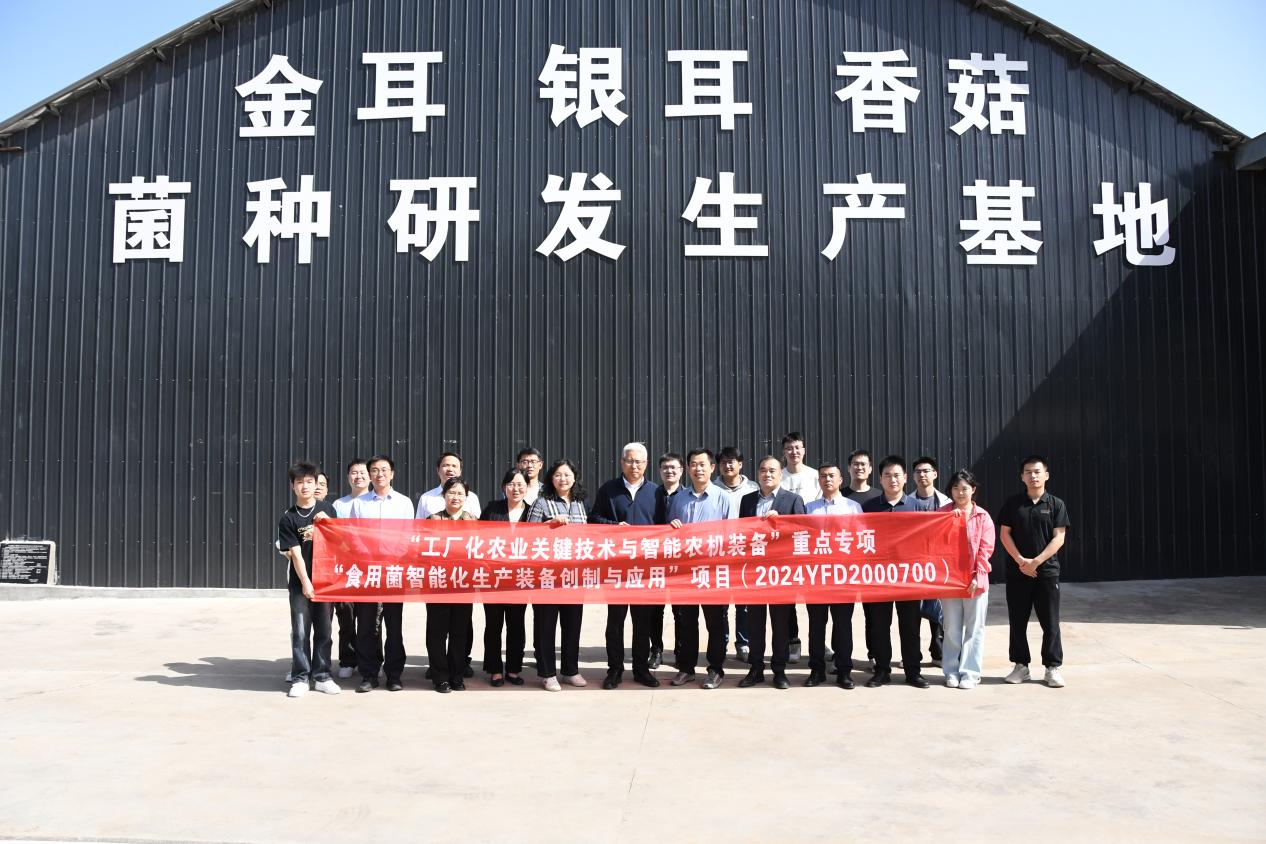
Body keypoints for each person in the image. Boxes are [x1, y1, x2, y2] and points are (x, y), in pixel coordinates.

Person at [589, 443, 662, 688]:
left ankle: (641, 669)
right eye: (630, 461)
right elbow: (593, 519)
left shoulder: (656, 492)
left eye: (639, 461)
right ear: (622, 462)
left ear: (646, 464)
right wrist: (614, 526)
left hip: (644, 570)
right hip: (616, 568)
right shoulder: (608, 490)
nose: (634, 466)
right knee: (615, 622)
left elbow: (664, 525)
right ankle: (615, 670)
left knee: (642, 623)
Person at [860, 455, 935, 689]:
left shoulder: (918, 507)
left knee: (910, 626)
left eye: (896, 475)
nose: (892, 480)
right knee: (879, 626)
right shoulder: (869, 507)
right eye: (887, 475)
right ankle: (882, 670)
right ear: (880, 479)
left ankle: (913, 671)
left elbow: (929, 540)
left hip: (908, 577)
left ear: (905, 478)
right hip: (878, 576)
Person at [666, 448, 735, 689]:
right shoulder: (679, 498)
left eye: (702, 464)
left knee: (715, 623)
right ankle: (686, 668)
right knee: (686, 621)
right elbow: (669, 532)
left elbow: (732, 535)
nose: (698, 469)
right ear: (688, 469)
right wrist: (672, 526)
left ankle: (715, 669)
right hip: (686, 572)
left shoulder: (723, 498)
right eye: (694, 464)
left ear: (712, 468)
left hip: (713, 572)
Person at [1000, 455, 1071, 688]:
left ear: (1046, 475)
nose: (1033, 476)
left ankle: (1052, 667)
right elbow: (1004, 534)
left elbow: (1059, 538)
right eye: (1028, 472)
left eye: (1037, 471)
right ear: (1022, 477)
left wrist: (1036, 562)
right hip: (1017, 572)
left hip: (1047, 572)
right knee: (1017, 621)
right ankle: (1021, 666)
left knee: (1050, 622)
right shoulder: (1013, 504)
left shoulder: (1056, 504)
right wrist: (1021, 561)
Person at [736, 456, 806, 690]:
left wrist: (781, 522)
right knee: (755, 624)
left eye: (772, 470)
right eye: (763, 470)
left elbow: (803, 533)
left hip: (781, 573)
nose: (767, 474)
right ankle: (755, 668)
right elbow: (742, 534)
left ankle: (779, 670)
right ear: (757, 473)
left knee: (780, 624)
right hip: (754, 572)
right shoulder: (747, 500)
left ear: (780, 474)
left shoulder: (793, 500)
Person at [349, 454, 415, 693]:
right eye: (375, 470)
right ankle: (369, 674)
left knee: (394, 626)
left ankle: (394, 675)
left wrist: (391, 559)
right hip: (368, 572)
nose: (380, 474)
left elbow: (408, 535)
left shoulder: (404, 503)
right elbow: (354, 535)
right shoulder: (360, 503)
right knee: (366, 626)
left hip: (394, 571)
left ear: (392, 473)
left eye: (384, 469)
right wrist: (369, 558)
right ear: (370, 475)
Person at [277, 461, 340, 698]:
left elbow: (340, 543)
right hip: (300, 583)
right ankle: (301, 677)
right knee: (301, 631)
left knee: (324, 630)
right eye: (299, 482)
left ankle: (322, 676)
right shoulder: (289, 518)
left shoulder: (328, 509)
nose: (305, 486)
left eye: (309, 481)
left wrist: (329, 524)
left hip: (326, 581)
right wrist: (306, 582)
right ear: (293, 486)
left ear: (316, 484)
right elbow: (295, 553)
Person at [527, 459, 589, 692]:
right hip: (547, 575)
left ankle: (570, 670)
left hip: (574, 574)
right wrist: (549, 524)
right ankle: (547, 673)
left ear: (574, 478)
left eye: (567, 475)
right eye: (558, 475)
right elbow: (527, 535)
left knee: (572, 623)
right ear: (551, 479)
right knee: (546, 624)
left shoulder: (580, 503)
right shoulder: (541, 502)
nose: (563, 479)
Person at [804, 461, 863, 689]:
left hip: (843, 577)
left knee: (843, 625)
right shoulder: (809, 508)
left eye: (831, 476)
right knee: (816, 626)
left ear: (840, 480)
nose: (827, 479)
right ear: (818, 480)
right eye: (823, 476)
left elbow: (860, 540)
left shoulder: (852, 508)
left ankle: (844, 671)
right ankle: (816, 670)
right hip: (816, 577)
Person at [940, 469, 995, 689]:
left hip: (975, 580)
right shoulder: (942, 513)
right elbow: (935, 544)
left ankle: (970, 673)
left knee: (974, 628)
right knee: (951, 627)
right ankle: (951, 671)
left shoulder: (983, 516)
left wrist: (977, 576)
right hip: (950, 580)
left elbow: (985, 549)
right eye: (955, 488)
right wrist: (949, 522)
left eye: (964, 488)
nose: (960, 493)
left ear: (973, 490)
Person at [426, 477, 478, 693]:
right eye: (451, 493)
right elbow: (424, 551)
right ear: (444, 495)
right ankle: (440, 677)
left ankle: (457, 675)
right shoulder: (433, 519)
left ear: (466, 497)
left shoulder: (473, 521)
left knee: (459, 632)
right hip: (438, 584)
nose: (455, 497)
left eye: (460, 493)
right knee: (437, 632)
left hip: (463, 584)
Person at [481, 468, 532, 687]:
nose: (516, 489)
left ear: (527, 488)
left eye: (520, 484)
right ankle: (494, 669)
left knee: (516, 625)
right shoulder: (492, 508)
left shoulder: (532, 512)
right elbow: (478, 538)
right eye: (511, 484)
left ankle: (513, 668)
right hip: (494, 578)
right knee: (493, 625)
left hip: (520, 579)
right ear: (504, 487)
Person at [329, 458, 372, 680]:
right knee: (345, 616)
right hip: (344, 567)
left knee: (371, 619)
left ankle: (371, 660)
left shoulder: (374, 501)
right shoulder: (339, 505)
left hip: (370, 567)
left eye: (363, 472)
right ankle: (347, 659)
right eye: (354, 473)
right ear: (348, 477)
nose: (359, 476)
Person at [715, 445, 758, 663]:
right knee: (721, 603)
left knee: (744, 603)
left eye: (731, 461)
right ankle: (721, 642)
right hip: (720, 553)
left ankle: (743, 643)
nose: (727, 466)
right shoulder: (712, 488)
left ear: (740, 464)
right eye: (723, 462)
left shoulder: (753, 488)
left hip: (745, 552)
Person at [912, 456, 952, 666]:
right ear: (913, 476)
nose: (922, 475)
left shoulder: (947, 503)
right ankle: (912, 655)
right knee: (913, 612)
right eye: (918, 471)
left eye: (926, 471)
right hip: (913, 564)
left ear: (935, 474)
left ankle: (938, 653)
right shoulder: (908, 502)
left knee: (938, 609)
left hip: (939, 564)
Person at [651, 452, 686, 670]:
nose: (669, 471)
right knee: (655, 610)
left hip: (680, 563)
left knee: (680, 610)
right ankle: (656, 650)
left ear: (681, 471)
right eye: (665, 467)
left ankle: (681, 651)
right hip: (654, 561)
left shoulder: (688, 496)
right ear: (659, 471)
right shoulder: (651, 494)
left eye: (673, 467)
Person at [416, 452, 483, 517]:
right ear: (438, 470)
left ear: (460, 471)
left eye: (454, 466)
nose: (450, 469)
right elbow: (419, 523)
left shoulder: (471, 498)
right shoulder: (426, 498)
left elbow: (477, 523)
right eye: (446, 465)